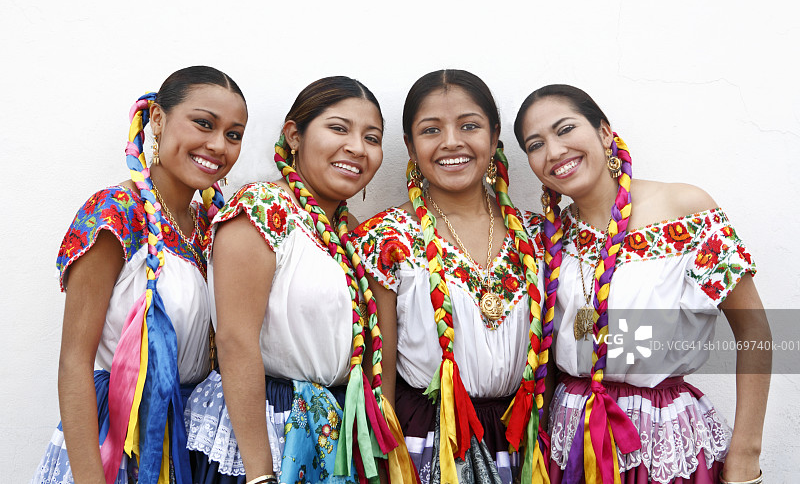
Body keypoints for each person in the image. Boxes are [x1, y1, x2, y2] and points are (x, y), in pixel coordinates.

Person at [514, 84, 770, 484]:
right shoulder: (552, 237)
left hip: (662, 436)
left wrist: (746, 451)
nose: (554, 151)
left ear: (604, 131)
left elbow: (754, 330)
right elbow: (578, 330)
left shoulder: (685, 212)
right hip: (571, 441)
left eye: (565, 129)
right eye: (536, 144)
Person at [184, 76, 415, 484]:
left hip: (335, 432)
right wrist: (260, 475)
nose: (357, 148)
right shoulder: (261, 207)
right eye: (339, 128)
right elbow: (235, 340)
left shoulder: (349, 232)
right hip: (270, 429)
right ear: (294, 135)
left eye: (372, 137)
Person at [32, 66, 248, 484]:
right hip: (118, 443)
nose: (218, 145)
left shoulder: (212, 226)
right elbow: (74, 362)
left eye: (234, 134)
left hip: (190, 445)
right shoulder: (115, 213)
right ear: (158, 121)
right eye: (203, 123)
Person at [352, 69, 550, 484]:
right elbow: (381, 370)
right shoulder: (387, 237)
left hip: (520, 443)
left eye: (469, 126)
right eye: (431, 130)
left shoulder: (537, 236)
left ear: (495, 137)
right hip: (428, 443)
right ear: (410, 145)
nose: (451, 142)